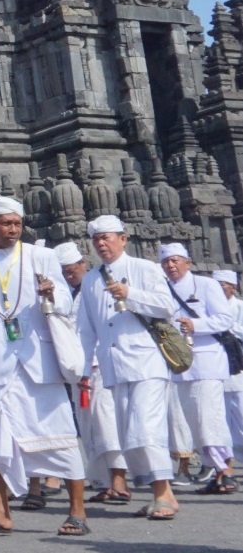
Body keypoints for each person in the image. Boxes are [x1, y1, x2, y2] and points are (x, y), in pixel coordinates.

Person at [0, 196, 88, 537]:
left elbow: (68, 304)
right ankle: (0, 512)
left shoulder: (41, 256)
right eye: (5, 223)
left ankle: (77, 512)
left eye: (17, 223)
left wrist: (52, 293)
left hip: (37, 363)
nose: (13, 230)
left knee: (59, 439)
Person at [75, 215, 181, 520]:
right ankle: (163, 494)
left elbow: (166, 307)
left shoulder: (144, 269)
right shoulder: (92, 280)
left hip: (146, 361)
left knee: (145, 428)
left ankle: (163, 493)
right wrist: (84, 370)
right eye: (96, 239)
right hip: (113, 366)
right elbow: (85, 330)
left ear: (123, 238)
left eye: (107, 237)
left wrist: (130, 294)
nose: (101, 244)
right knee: (127, 434)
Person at [54, 242, 130, 505]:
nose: (68, 275)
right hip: (76, 368)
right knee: (88, 428)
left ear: (82, 264)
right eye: (62, 271)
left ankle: (119, 481)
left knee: (107, 423)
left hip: (99, 365)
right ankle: (103, 481)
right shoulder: (64, 294)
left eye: (71, 269)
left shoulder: (98, 286)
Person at [159, 243, 236, 494]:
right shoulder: (162, 288)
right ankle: (215, 471)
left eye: (175, 261)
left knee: (209, 419)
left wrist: (194, 325)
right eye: (166, 262)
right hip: (179, 365)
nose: (171, 266)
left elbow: (225, 319)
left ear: (187, 263)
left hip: (207, 362)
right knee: (194, 422)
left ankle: (226, 471)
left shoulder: (206, 285)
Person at [213, 270, 243, 468]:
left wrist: (225, 325)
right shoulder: (211, 307)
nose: (218, 289)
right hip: (216, 366)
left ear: (233, 286)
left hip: (238, 364)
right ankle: (227, 463)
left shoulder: (240, 306)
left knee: (241, 412)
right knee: (221, 418)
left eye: (222, 284)